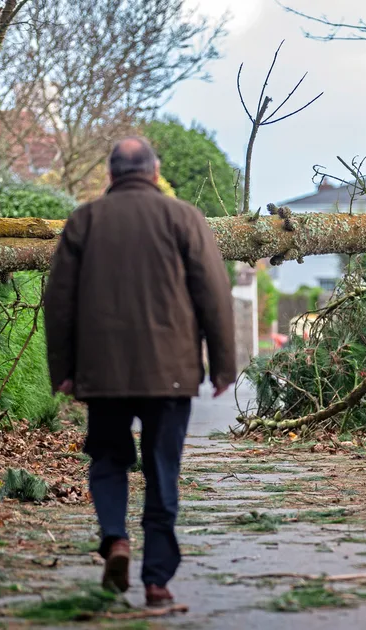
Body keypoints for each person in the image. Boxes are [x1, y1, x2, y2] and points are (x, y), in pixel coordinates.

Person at [43, 137, 236, 607]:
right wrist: (223, 365)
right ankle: (156, 582)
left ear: (110, 175)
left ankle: (116, 539)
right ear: (155, 171)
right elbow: (213, 293)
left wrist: (63, 370)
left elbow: (59, 301)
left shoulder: (83, 221)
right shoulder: (184, 218)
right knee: (161, 468)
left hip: (103, 372)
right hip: (169, 371)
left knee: (108, 459)